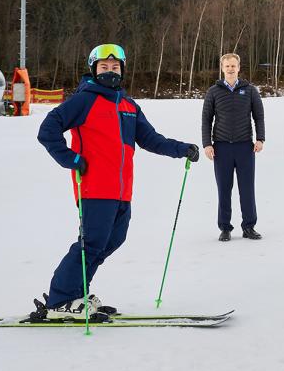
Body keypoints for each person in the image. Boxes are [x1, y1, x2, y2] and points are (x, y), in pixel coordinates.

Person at [33, 44, 199, 320]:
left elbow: (150, 139)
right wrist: (70, 159)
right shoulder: (83, 100)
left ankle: (77, 294)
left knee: (113, 240)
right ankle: (60, 300)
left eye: (114, 67)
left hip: (122, 190)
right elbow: (48, 129)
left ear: (122, 70)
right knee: (91, 243)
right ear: (94, 70)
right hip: (94, 186)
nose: (109, 72)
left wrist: (181, 148)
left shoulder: (128, 105)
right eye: (103, 67)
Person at [202, 53, 266, 242]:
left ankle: (249, 226)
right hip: (221, 148)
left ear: (239, 67)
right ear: (222, 68)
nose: (230, 69)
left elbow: (259, 116)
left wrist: (260, 139)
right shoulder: (213, 91)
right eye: (227, 66)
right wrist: (207, 144)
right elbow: (206, 120)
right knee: (224, 189)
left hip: (245, 147)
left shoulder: (250, 90)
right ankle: (225, 227)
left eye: (233, 66)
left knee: (247, 189)